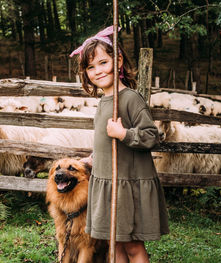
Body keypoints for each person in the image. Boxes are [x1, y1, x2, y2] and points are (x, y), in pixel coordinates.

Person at [70, 26, 169, 263]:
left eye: (103, 62)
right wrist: (95, 157)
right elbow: (106, 139)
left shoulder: (130, 99)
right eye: (90, 67)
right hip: (108, 180)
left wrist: (124, 133)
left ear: (119, 60)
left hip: (127, 185)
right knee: (116, 247)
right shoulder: (105, 100)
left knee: (132, 246)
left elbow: (150, 136)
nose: (98, 71)